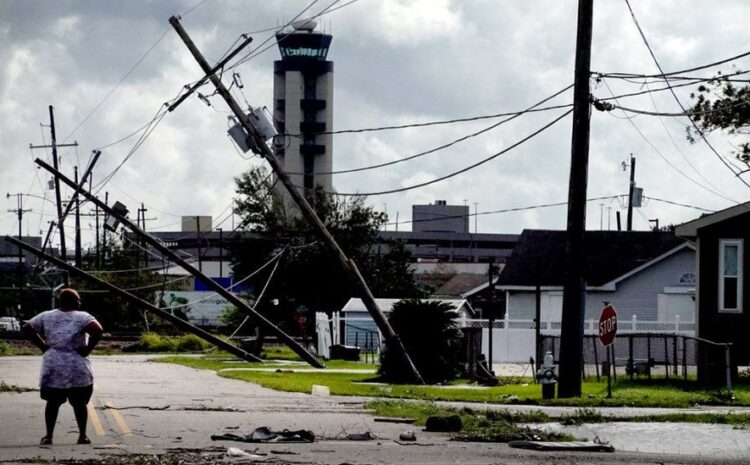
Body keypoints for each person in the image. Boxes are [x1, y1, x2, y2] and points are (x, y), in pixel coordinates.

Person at [23, 288, 103, 446]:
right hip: (76, 366)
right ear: (73, 301)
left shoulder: (46, 316)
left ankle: (49, 436)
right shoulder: (83, 317)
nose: (80, 302)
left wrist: (43, 346)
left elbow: (27, 327)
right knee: (80, 403)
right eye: (78, 299)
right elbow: (98, 330)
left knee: (52, 402)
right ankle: (82, 435)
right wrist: (87, 350)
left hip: (54, 365)